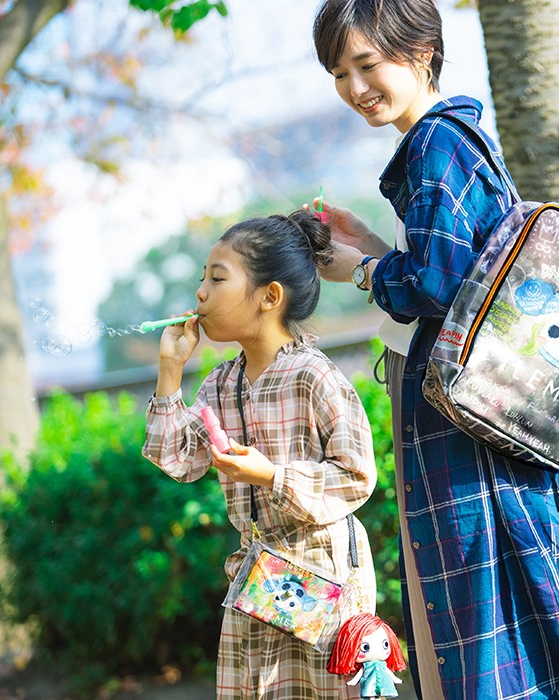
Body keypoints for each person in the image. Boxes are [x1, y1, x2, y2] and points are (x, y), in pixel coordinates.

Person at [310, 1, 559, 698]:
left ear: (420, 52)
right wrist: (375, 244)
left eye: (368, 64)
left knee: (486, 619)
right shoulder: (456, 140)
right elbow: (459, 279)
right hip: (493, 416)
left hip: (467, 430)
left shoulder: (436, 146)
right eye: (339, 72)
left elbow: (436, 283)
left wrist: (358, 271)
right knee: (526, 615)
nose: (356, 87)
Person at [142, 209, 379, 699]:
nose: (200, 293)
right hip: (257, 574)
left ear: (270, 297)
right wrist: (170, 371)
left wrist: (272, 475)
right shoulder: (221, 384)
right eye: (202, 279)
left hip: (324, 575)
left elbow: (356, 476)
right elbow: (179, 461)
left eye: (217, 278)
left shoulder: (315, 377)